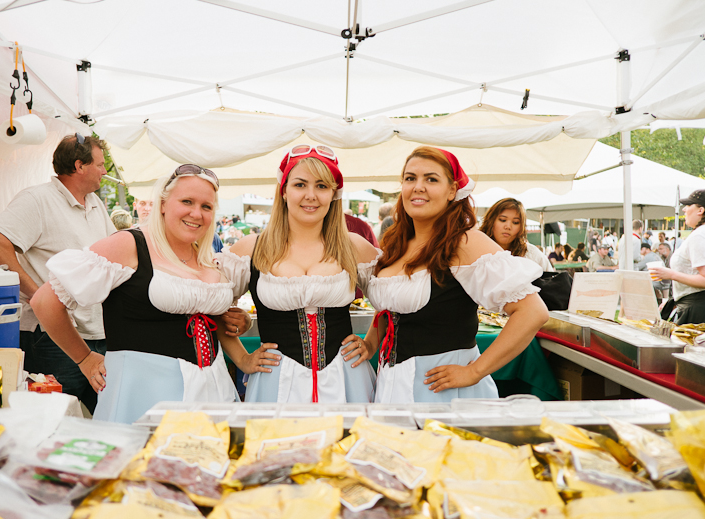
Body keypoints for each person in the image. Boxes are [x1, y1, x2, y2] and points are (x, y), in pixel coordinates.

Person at [30, 165, 260, 423]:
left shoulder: (206, 258)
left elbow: (204, 317)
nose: (196, 213)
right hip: (144, 395)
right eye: (187, 201)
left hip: (212, 390)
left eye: (206, 206)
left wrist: (239, 327)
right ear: (163, 203)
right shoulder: (129, 244)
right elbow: (45, 302)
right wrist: (84, 358)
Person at [357, 146, 548, 403]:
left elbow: (532, 313)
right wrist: (370, 344)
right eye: (410, 178)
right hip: (390, 383)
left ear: (452, 191)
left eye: (431, 179)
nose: (418, 186)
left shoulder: (464, 242)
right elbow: (392, 308)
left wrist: (474, 372)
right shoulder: (397, 244)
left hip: (442, 391)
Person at [216, 144, 379, 403]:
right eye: (300, 184)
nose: (311, 195)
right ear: (284, 190)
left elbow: (392, 303)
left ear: (334, 194)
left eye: (322, 186)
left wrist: (370, 342)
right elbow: (211, 309)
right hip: (276, 383)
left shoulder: (355, 246)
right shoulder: (250, 248)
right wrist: (242, 358)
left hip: (346, 381)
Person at [0, 134, 116, 413]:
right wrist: (38, 295)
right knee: (56, 418)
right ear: (79, 166)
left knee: (98, 415)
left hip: (95, 333)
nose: (104, 172)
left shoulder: (95, 204)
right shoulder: (38, 199)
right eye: (100, 165)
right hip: (51, 336)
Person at [650, 190, 705, 324]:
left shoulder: (699, 235)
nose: (684, 209)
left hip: (697, 309)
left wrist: (671, 274)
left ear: (701, 210)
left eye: (689, 205)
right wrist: (674, 300)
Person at [478, 197, 553, 271]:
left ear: (521, 227)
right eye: (503, 220)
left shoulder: (531, 254)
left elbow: (551, 280)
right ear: (491, 221)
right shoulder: (475, 250)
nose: (508, 226)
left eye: (515, 222)